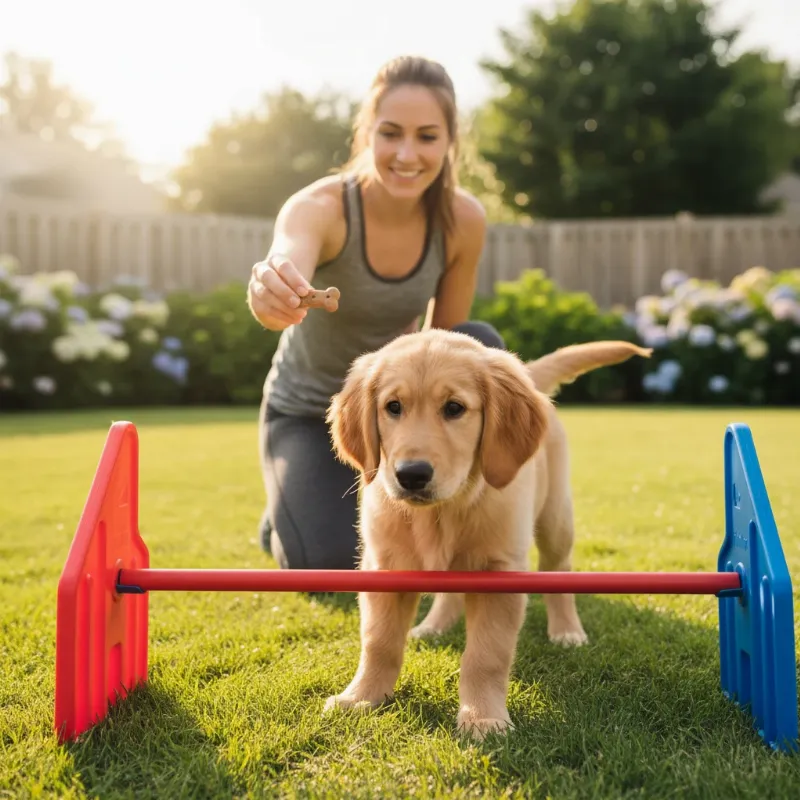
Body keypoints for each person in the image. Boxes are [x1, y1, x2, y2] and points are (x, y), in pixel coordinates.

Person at [246, 54, 506, 571]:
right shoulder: (320, 208)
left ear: (450, 141)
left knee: (482, 342)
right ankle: (287, 511)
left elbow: (446, 341)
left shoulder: (462, 220)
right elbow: (286, 257)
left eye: (427, 137)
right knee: (328, 566)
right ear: (366, 132)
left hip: (399, 412)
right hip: (308, 413)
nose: (407, 154)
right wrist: (272, 290)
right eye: (390, 133)